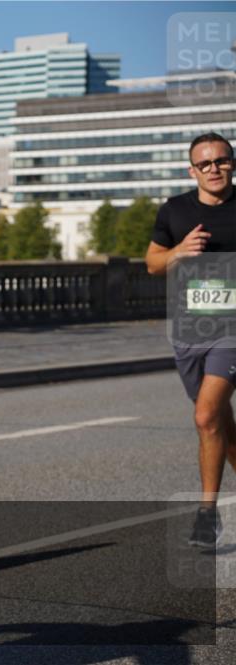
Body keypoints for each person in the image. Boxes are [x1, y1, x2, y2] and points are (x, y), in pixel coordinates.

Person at [145, 131, 236, 548]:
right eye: (205, 163)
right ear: (192, 170)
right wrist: (178, 251)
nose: (214, 168)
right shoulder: (175, 211)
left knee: (205, 416)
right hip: (188, 333)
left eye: (222, 160)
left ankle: (206, 514)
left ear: (232, 164)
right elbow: (152, 264)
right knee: (220, 426)